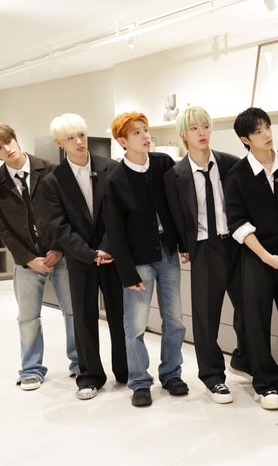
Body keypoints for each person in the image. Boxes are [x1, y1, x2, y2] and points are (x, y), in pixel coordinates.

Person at [0, 122, 78, 390]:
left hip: (61, 256)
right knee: (28, 318)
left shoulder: (52, 170)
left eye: (7, 141)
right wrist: (28, 258)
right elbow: (3, 229)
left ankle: (80, 363)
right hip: (26, 262)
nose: (6, 149)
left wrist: (58, 248)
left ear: (15, 137)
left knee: (73, 312)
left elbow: (68, 213)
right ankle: (31, 369)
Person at [38, 113, 128, 400]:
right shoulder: (53, 181)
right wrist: (89, 253)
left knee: (120, 314)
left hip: (113, 255)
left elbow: (122, 213)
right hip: (80, 259)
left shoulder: (111, 168)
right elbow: (59, 227)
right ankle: (89, 376)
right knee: (84, 316)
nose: (79, 142)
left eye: (82, 135)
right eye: (71, 138)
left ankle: (126, 371)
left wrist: (107, 247)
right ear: (59, 143)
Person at [103, 111, 188, 407]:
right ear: (122, 141)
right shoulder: (115, 180)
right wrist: (127, 273)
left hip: (167, 253)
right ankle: (139, 381)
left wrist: (183, 244)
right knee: (136, 325)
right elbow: (114, 231)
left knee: (175, 320)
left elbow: (178, 207)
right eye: (136, 132)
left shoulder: (164, 164)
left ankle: (171, 374)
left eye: (145, 130)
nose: (145, 136)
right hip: (138, 261)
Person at [224, 107, 278, 410]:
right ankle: (266, 384)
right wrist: (267, 257)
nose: (267, 135)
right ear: (245, 139)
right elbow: (237, 224)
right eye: (258, 132)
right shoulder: (237, 176)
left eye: (268, 127)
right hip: (257, 257)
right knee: (256, 321)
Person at [164, 105, 248, 404]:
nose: (202, 132)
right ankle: (213, 377)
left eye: (205, 126)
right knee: (206, 317)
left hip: (236, 244)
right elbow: (174, 216)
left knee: (249, 308)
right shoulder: (175, 175)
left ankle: (244, 359)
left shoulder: (231, 164)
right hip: (203, 248)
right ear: (183, 135)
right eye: (194, 128)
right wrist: (183, 246)